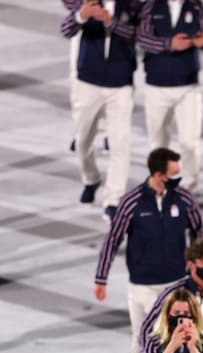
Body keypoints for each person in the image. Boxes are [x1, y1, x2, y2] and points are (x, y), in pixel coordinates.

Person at [94, 148, 203, 353]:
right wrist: (101, 277)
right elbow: (113, 239)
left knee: (180, 339)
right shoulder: (132, 202)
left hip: (176, 287)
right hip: (141, 285)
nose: (179, 179)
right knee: (140, 341)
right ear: (158, 174)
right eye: (174, 174)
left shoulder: (185, 200)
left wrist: (199, 273)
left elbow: (198, 234)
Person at [61, 0, 139, 217]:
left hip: (120, 83)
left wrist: (111, 22)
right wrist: (81, 16)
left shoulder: (131, 4)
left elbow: (139, 34)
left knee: (120, 144)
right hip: (88, 81)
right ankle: (91, 178)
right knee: (83, 141)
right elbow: (66, 30)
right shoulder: (89, 2)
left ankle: (114, 200)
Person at [137, 0, 203, 191]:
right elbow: (142, 38)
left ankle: (188, 190)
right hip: (156, 86)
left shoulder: (195, 6)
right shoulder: (150, 6)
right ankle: (159, 187)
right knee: (158, 143)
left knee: (189, 143)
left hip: (188, 85)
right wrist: (169, 43)